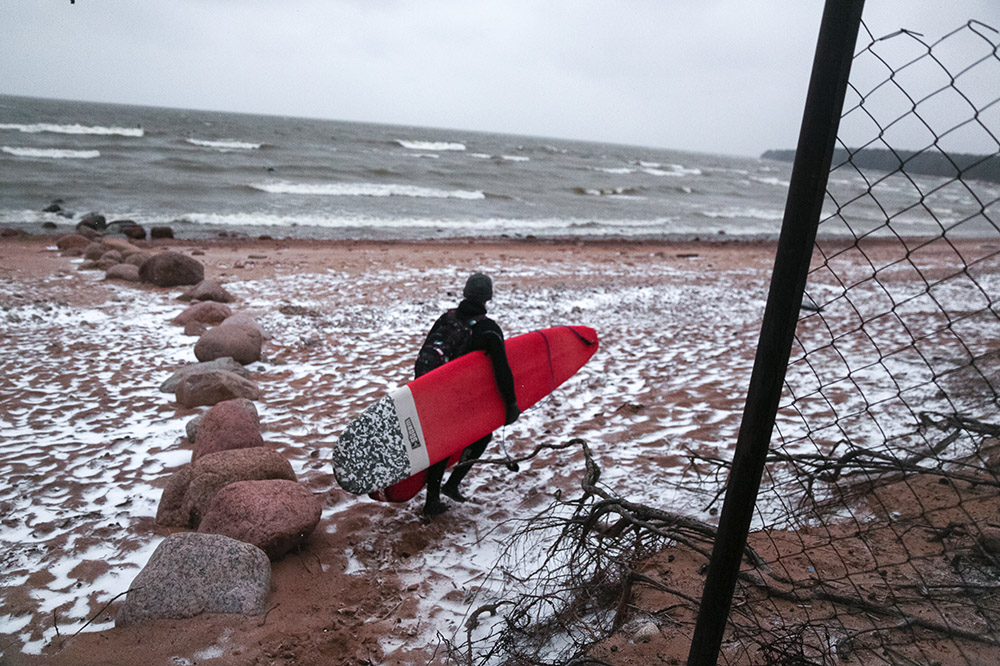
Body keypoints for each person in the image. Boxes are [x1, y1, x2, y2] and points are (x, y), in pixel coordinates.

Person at [415, 273, 520, 516]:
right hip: (458, 396)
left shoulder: (447, 318)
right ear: (488, 298)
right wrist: (511, 403)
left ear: (465, 293)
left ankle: (435, 496)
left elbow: (428, 349)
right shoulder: (488, 329)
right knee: (482, 437)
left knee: (442, 440)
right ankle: (449, 487)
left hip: (428, 387)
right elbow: (502, 369)